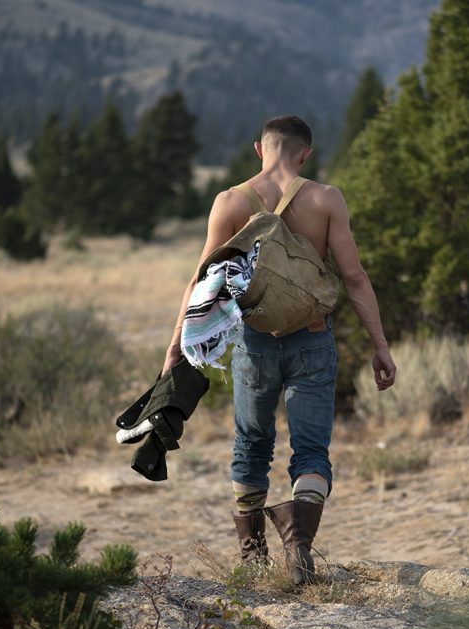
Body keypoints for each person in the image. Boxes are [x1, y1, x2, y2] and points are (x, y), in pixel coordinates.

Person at [162, 115, 396, 585]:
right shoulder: (326, 200)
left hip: (254, 341)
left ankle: (252, 557)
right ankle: (299, 551)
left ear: (259, 149)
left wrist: (174, 349)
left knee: (251, 443)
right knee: (311, 449)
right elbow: (353, 278)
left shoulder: (230, 201)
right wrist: (380, 345)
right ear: (305, 154)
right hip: (312, 337)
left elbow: (201, 282)